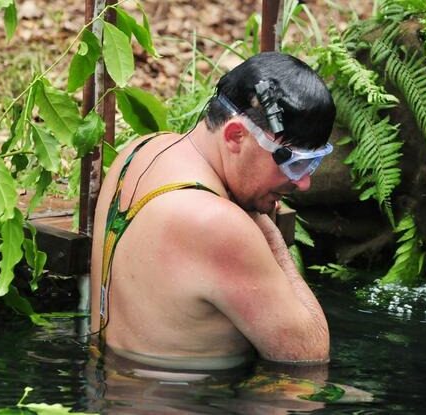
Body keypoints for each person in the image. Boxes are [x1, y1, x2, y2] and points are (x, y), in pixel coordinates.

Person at [89, 52, 336, 370]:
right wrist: (273, 242)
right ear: (236, 136)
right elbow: (308, 355)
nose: (303, 183)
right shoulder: (216, 224)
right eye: (294, 162)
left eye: (313, 162)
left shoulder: (139, 151)